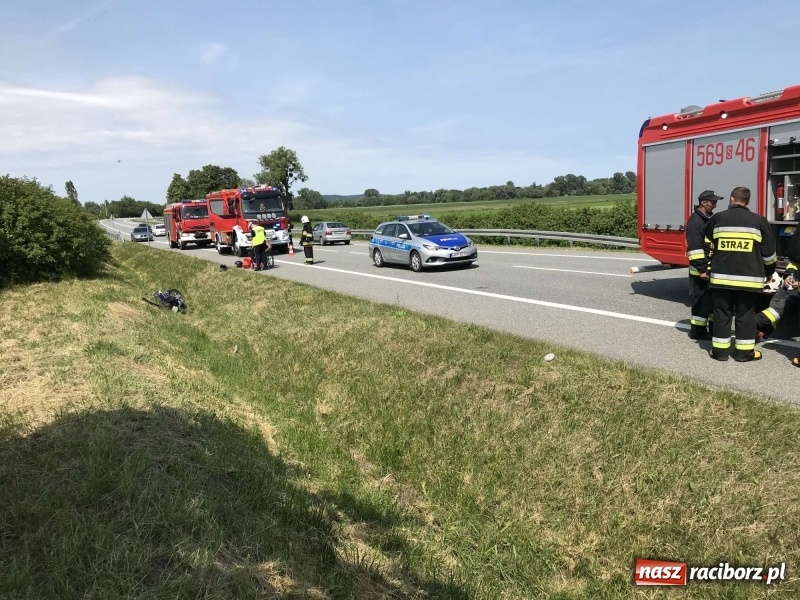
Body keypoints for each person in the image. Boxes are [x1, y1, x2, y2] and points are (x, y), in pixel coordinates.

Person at [704, 186, 777, 362]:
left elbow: (708, 239)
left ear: (731, 199)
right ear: (748, 201)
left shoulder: (717, 219)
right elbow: (769, 254)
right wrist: (769, 272)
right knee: (746, 315)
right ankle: (744, 353)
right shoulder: (759, 221)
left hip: (721, 278)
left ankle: (720, 353)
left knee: (722, 313)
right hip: (749, 281)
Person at [686, 190, 722, 339]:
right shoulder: (695, 222)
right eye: (712, 202)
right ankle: (698, 332)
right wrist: (702, 269)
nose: (715, 204)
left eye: (715, 201)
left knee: (711, 302)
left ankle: (713, 329)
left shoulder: (708, 219)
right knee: (701, 303)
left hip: (709, 269)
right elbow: (695, 249)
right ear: (703, 202)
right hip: (701, 272)